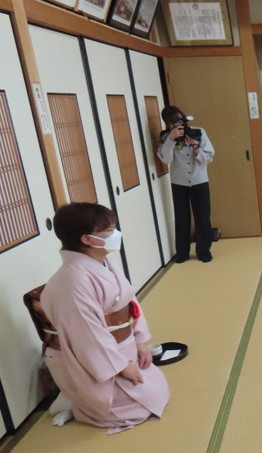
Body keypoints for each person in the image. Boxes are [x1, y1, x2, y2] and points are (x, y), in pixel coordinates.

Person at [40, 203, 170, 434]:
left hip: (123, 346)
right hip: (96, 362)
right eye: (109, 231)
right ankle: (71, 400)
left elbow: (130, 302)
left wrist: (140, 341)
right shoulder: (73, 280)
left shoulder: (104, 263)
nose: (115, 234)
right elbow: (86, 336)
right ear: (87, 240)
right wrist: (121, 367)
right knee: (136, 408)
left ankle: (71, 397)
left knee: (157, 389)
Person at [157, 105, 215, 263]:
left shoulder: (199, 132)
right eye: (173, 122)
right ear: (168, 124)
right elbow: (166, 160)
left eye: (179, 120)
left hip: (200, 181)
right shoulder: (166, 137)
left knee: (203, 218)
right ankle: (182, 253)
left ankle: (204, 251)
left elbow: (208, 159)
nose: (178, 124)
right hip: (179, 184)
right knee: (181, 219)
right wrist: (171, 139)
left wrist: (196, 146)